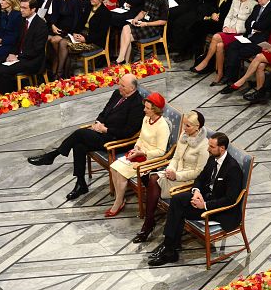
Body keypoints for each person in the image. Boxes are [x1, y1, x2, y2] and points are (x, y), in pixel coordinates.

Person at [27, 74, 144, 200]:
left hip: (116, 140)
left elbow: (128, 132)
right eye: (119, 84)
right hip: (102, 133)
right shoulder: (117, 94)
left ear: (132, 88)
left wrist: (105, 129)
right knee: (79, 146)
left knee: (80, 134)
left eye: (123, 86)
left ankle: (52, 155)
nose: (119, 87)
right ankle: (80, 183)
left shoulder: (137, 104)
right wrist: (98, 123)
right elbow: (104, 112)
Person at [147, 132, 244, 266]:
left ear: (222, 148)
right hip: (205, 197)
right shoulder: (212, 159)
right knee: (177, 199)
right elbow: (200, 178)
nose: (208, 149)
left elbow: (230, 199)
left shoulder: (233, 168)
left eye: (212, 147)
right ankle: (170, 246)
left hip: (219, 209)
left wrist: (204, 205)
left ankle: (169, 247)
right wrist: (196, 191)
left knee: (178, 211)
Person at [134, 110, 209, 244]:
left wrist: (176, 176)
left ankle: (148, 223)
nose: (184, 128)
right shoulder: (184, 136)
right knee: (152, 177)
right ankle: (149, 221)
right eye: (184, 124)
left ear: (197, 127)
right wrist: (171, 169)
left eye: (188, 126)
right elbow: (175, 158)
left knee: (153, 180)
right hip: (175, 173)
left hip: (188, 180)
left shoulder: (204, 145)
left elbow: (199, 172)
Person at [105, 92, 170, 217]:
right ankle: (120, 199)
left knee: (122, 174)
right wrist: (136, 147)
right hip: (138, 153)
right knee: (113, 168)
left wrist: (142, 152)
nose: (144, 110)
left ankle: (118, 202)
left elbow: (161, 151)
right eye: (145, 107)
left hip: (151, 158)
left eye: (147, 108)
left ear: (155, 110)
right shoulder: (146, 118)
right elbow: (141, 137)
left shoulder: (162, 126)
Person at [53, 0, 111, 78]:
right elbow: (80, 22)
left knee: (65, 46)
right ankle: (63, 74)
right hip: (82, 35)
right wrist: (76, 32)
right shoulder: (88, 6)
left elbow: (101, 34)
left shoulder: (105, 13)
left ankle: (61, 74)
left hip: (94, 41)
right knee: (62, 42)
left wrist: (85, 39)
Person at [115, 0, 168, 64]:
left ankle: (122, 61)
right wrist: (136, 18)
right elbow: (143, 11)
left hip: (153, 27)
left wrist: (146, 24)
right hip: (144, 23)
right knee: (125, 28)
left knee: (126, 37)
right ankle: (123, 60)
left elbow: (163, 21)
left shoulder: (163, 0)